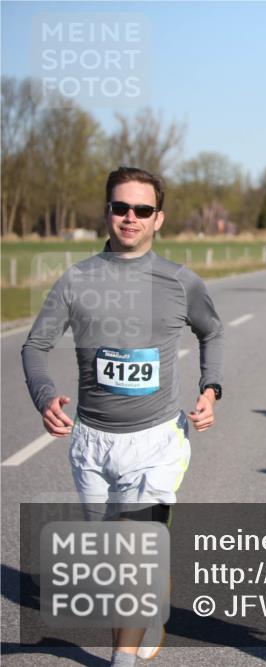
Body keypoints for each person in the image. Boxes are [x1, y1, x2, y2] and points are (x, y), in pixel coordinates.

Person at [21, 166, 224, 665]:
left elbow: (212, 332)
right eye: (120, 208)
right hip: (93, 442)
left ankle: (122, 658)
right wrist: (44, 395)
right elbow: (36, 345)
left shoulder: (180, 282)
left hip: (156, 441)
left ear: (159, 219)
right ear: (107, 212)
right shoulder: (77, 279)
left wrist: (211, 389)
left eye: (142, 210)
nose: (129, 218)